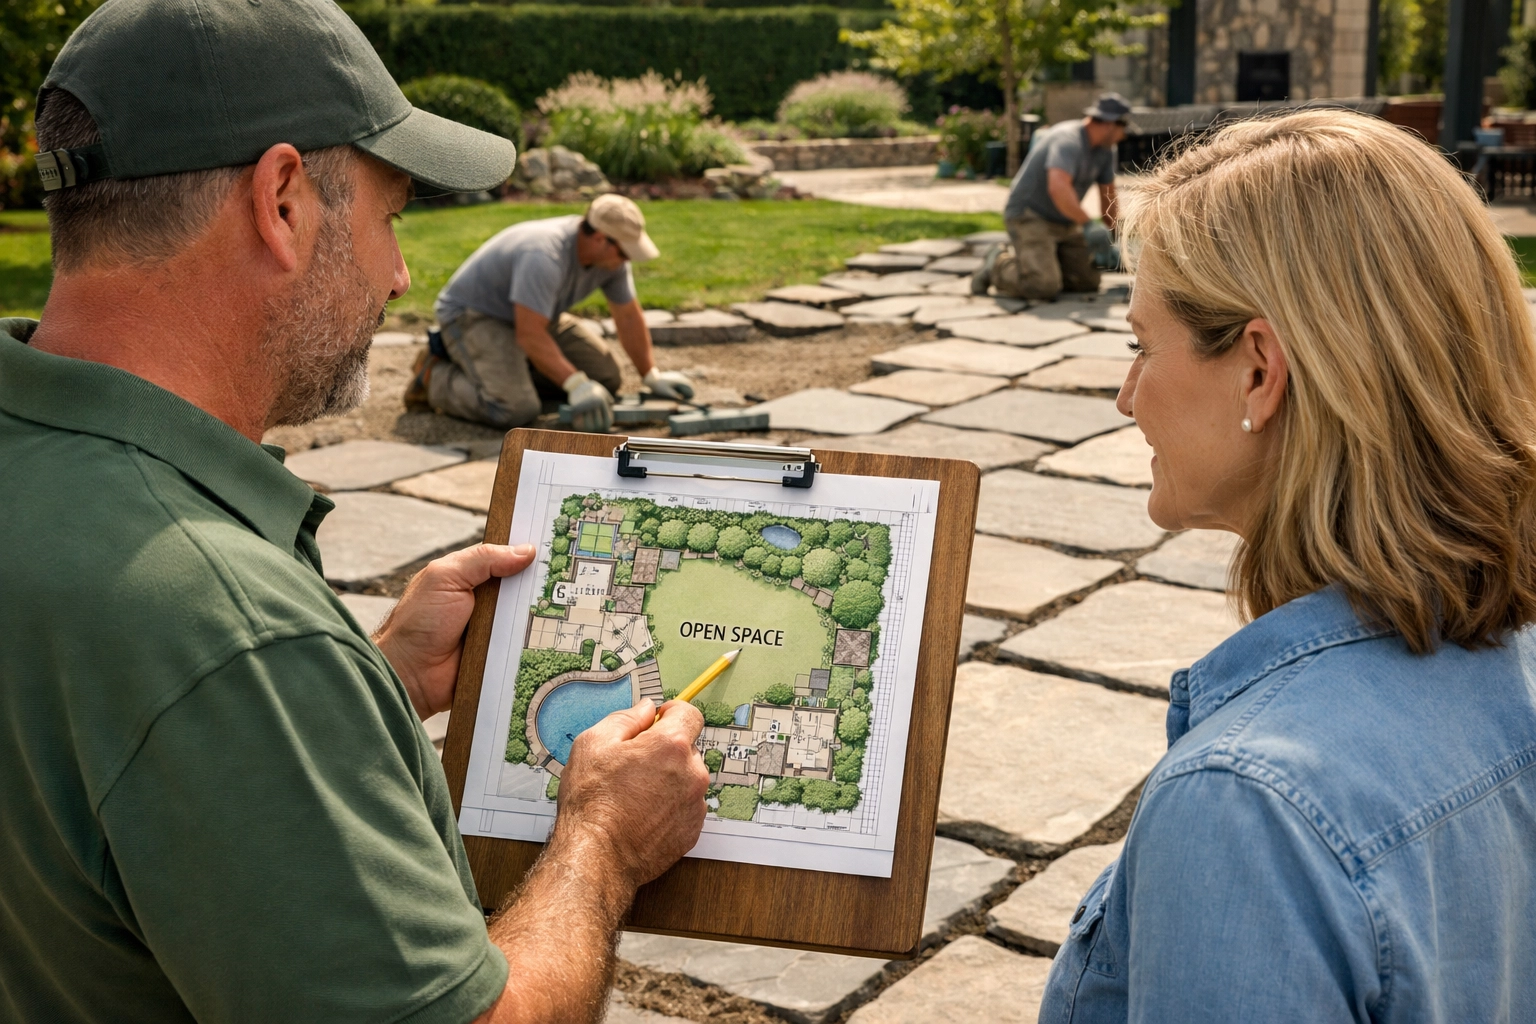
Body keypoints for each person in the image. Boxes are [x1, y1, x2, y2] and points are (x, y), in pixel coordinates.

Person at [0, 1, 709, 1022]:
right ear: (281, 200)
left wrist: (363, 683)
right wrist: (601, 837)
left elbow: (101, 767)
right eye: (392, 215)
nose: (400, 273)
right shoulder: (223, 629)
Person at [1040, 110, 1536, 1021]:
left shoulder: (1250, 809)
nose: (1124, 398)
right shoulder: (1515, 659)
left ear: (1260, 372)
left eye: (1141, 347)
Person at [407, 194, 695, 433]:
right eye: (624, 252)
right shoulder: (545, 255)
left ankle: (514, 370)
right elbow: (530, 334)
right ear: (600, 240)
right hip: (475, 316)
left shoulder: (612, 263)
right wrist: (575, 384)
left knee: (606, 379)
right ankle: (433, 375)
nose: (628, 260)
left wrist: (651, 375)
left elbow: (628, 317)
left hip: (533, 316)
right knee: (515, 410)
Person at [974, 94, 1130, 301]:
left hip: (1064, 220)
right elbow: (1058, 188)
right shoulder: (1068, 140)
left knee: (1087, 282)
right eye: (1124, 127)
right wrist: (1087, 224)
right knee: (1042, 286)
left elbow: (1108, 197)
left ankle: (1048, 261)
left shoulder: (1105, 151)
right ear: (1111, 124)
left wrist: (1116, 238)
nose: (1125, 135)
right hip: (1029, 216)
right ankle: (997, 264)